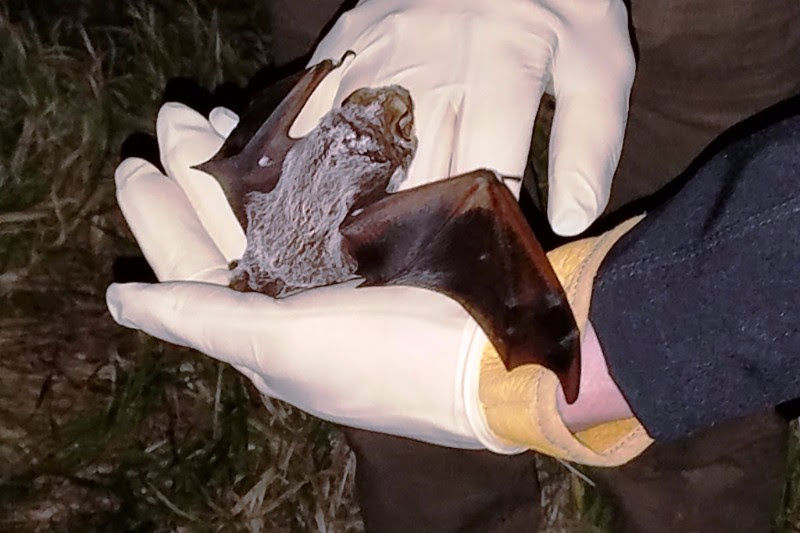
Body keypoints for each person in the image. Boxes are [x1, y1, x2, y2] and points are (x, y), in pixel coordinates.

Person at [106, 0, 800, 530]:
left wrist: (619, 353)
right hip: (333, 226)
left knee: (679, 251)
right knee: (388, 381)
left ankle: (679, 446)